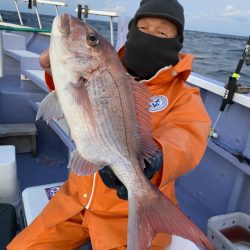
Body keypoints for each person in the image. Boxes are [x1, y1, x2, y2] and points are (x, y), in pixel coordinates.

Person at [7, 0, 211, 249]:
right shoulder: (111, 69)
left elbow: (187, 136)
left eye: (162, 33)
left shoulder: (184, 95)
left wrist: (159, 155)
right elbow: (76, 104)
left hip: (124, 215)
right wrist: (55, 73)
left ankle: (150, 214)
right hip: (74, 202)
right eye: (143, 28)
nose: (150, 37)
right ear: (132, 31)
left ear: (176, 42)